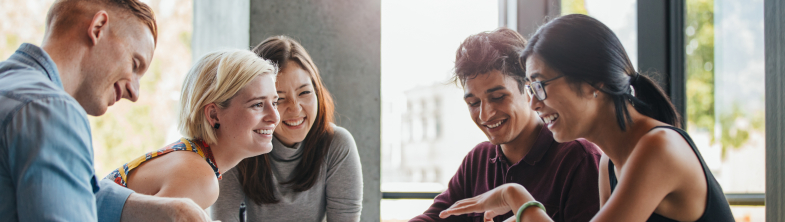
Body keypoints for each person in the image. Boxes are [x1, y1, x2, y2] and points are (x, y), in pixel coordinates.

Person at [439, 14, 735, 222]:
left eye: (540, 85)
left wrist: (515, 196)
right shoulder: (609, 163)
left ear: (595, 82)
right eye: (530, 88)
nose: (533, 102)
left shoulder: (658, 148)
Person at [0, 0, 212, 221]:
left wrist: (171, 210)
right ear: (98, 27)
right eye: (134, 64)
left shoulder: (12, 89)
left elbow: (69, 189)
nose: (135, 93)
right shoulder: (52, 110)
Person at [410, 28, 602, 222]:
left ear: (529, 90)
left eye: (498, 97)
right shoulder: (478, 160)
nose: (485, 114)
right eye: (473, 103)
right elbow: (434, 218)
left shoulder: (579, 159)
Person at [211, 35, 363, 222]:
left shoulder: (337, 144)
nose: (295, 108)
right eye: (279, 99)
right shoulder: (239, 145)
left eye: (305, 92)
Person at [104, 49, 280, 209]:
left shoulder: (191, 158)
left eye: (274, 103)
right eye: (257, 104)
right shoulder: (199, 178)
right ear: (213, 115)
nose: (275, 117)